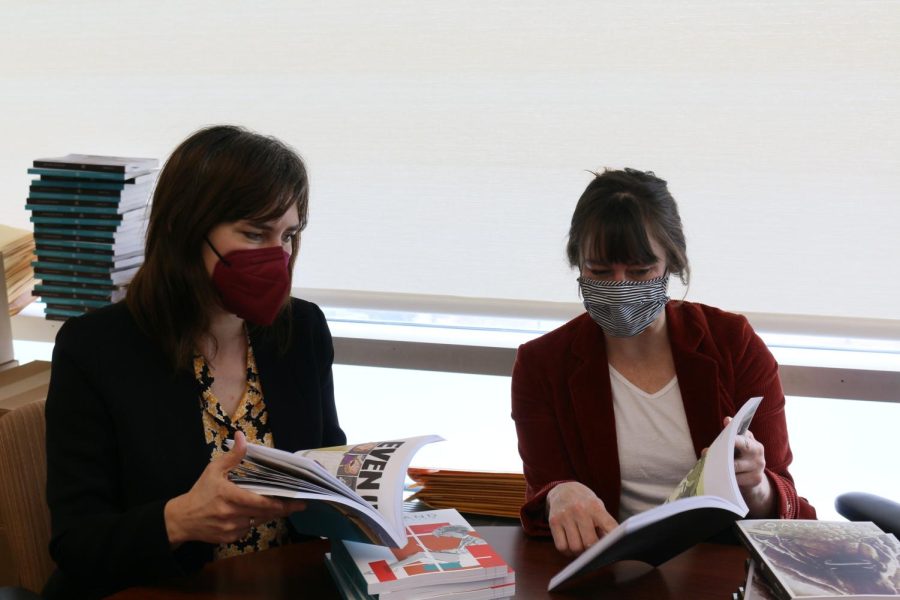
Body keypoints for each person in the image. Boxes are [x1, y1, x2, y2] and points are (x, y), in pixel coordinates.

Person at [44, 125, 346, 598]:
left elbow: (325, 465)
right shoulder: (95, 348)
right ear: (185, 229)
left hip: (286, 583)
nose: (278, 255)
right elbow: (78, 545)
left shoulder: (301, 329)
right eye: (254, 233)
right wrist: (179, 520)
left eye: (288, 235)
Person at [511, 168, 816, 557]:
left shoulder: (731, 342)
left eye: (640, 272)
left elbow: (781, 503)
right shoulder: (542, 364)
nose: (620, 286)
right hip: (607, 568)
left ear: (671, 263)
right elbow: (543, 491)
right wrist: (556, 494)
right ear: (577, 264)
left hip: (719, 565)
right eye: (599, 271)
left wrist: (756, 484)